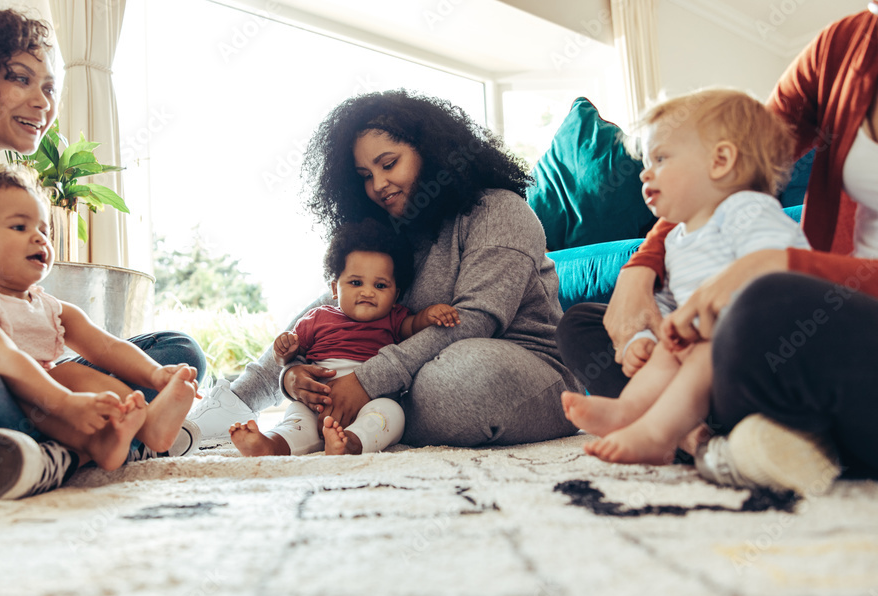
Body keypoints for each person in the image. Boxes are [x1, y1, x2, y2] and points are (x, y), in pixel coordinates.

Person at [0, 0, 206, 500]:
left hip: (8, 378)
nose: (44, 102)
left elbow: (27, 320)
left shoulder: (10, 192)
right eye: (21, 78)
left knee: (175, 352)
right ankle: (86, 446)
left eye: (49, 87)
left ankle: (54, 447)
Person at [556, 7, 878, 495]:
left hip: (826, 313)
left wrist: (783, 264)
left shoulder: (752, 220)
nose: (648, 172)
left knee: (762, 306)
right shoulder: (844, 47)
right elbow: (736, 153)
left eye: (658, 160)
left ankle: (696, 431)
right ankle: (708, 435)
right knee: (584, 322)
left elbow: (745, 215)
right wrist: (640, 272)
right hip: (780, 341)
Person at [190, 89, 582, 448]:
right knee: (335, 310)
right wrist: (292, 376)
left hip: (524, 369)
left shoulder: (499, 210)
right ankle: (238, 402)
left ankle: (348, 417)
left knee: (458, 381)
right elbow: (330, 311)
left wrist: (364, 380)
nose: (378, 184)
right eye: (364, 176)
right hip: (409, 376)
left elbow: (476, 320)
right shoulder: (392, 234)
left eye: (389, 163)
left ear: (432, 151)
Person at [560, 89, 812, 466]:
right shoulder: (678, 237)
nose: (645, 172)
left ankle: (657, 434)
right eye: (646, 160)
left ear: (721, 160)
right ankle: (631, 411)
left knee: (699, 349)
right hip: (713, 368)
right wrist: (642, 338)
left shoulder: (747, 209)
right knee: (666, 348)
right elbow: (666, 304)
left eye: (661, 158)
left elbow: (782, 267)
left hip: (771, 357)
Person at [0, 168, 199, 472]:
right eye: (18, 226)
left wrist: (156, 375)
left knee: (72, 374)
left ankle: (137, 430)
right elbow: (4, 358)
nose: (39, 237)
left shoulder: (50, 307)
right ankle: (107, 444)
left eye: (44, 229)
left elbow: (106, 347)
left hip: (40, 413)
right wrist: (65, 403)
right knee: (54, 378)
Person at [229, 219, 459, 456]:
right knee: (297, 420)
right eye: (356, 282)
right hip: (316, 400)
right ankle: (272, 444)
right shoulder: (317, 317)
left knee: (391, 413)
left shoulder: (394, 318)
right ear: (335, 289)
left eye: (380, 285)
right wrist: (284, 351)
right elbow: (292, 357)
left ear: (395, 295)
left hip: (370, 400)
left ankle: (351, 442)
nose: (368, 292)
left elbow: (413, 326)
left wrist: (429, 315)